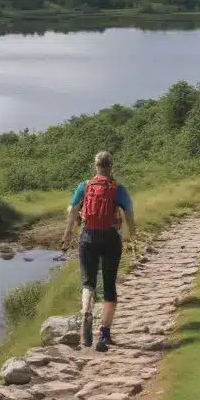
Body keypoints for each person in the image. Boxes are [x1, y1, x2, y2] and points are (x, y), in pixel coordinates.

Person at [61, 151, 136, 352]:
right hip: (111, 238)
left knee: (88, 282)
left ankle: (86, 311)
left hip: (88, 237)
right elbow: (129, 213)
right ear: (111, 167)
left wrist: (70, 232)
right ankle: (104, 334)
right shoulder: (118, 188)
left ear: (96, 166)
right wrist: (131, 236)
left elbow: (71, 210)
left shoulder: (84, 186)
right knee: (110, 286)